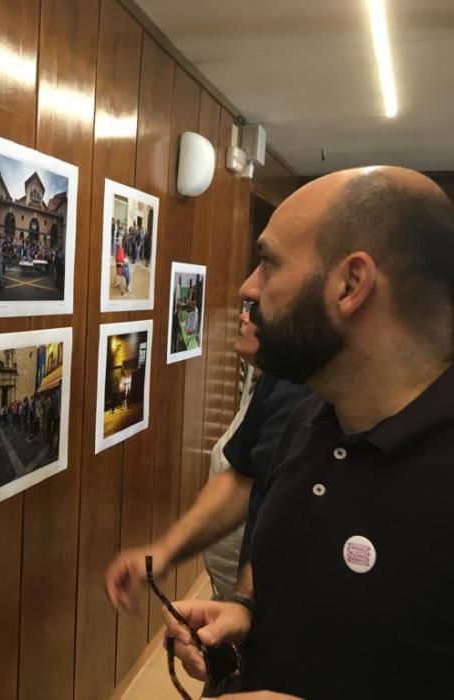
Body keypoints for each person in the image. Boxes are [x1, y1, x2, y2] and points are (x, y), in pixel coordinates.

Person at [163, 167, 454, 698]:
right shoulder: (310, 420)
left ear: (350, 285)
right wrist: (246, 613)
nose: (249, 287)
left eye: (269, 262)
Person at [104, 305, 309, 609]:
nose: (249, 288)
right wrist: (165, 552)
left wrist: (242, 607)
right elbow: (244, 477)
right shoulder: (285, 375)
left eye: (271, 265)